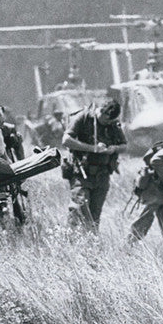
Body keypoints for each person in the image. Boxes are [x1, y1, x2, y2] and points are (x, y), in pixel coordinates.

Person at [61, 98, 128, 230]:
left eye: (111, 121)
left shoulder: (113, 124)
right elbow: (66, 140)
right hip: (81, 174)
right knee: (79, 208)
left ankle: (91, 243)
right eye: (106, 120)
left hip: (102, 175)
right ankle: (70, 241)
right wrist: (93, 148)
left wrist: (114, 149)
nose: (108, 123)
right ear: (102, 112)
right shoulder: (84, 118)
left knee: (94, 215)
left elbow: (124, 145)